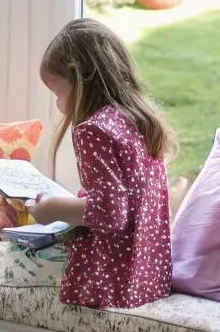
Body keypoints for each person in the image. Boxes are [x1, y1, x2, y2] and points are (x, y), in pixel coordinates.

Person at [29, 18, 173, 310]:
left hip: (110, 280)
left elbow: (110, 213)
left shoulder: (93, 128)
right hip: (149, 275)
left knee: (19, 257)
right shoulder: (138, 118)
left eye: (57, 92)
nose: (57, 104)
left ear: (81, 79)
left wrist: (50, 208)